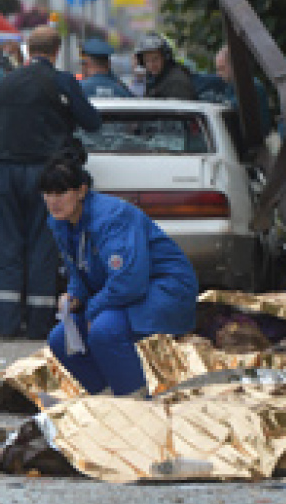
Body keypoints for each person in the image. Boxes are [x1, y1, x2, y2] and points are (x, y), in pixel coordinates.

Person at [42, 146, 199, 395]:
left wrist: (92, 308)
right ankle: (106, 399)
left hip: (162, 287)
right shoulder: (59, 221)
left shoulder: (111, 217)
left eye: (61, 192)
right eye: (47, 193)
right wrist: (74, 296)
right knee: (60, 339)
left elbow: (129, 281)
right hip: (120, 292)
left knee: (105, 330)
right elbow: (78, 269)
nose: (53, 200)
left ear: (81, 191)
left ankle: (137, 403)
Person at [0, 25, 101, 339]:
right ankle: (39, 323)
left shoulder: (6, 82)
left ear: (27, 48)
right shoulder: (62, 82)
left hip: (9, 170)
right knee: (43, 243)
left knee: (8, 242)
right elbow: (92, 123)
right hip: (46, 172)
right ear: (56, 51)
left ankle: (6, 322)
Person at [215, 45, 274, 134]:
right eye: (218, 69)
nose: (218, 74)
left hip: (255, 143)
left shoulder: (251, 86)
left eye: (222, 68)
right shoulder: (232, 86)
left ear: (234, 65)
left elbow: (231, 107)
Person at [134, 32, 195, 99]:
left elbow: (177, 108)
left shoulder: (176, 83)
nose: (151, 65)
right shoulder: (156, 78)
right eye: (147, 61)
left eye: (155, 59)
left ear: (165, 58)